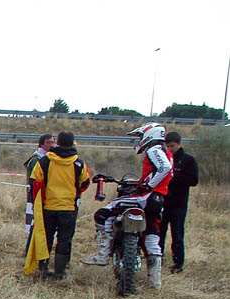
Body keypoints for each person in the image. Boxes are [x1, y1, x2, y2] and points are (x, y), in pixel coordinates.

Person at [81, 122, 173, 289]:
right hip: (158, 200)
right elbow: (167, 170)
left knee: (103, 213)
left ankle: (103, 254)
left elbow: (164, 168)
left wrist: (149, 185)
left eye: (141, 136)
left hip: (146, 196)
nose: (140, 140)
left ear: (149, 134)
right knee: (152, 235)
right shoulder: (167, 152)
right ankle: (155, 282)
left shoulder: (154, 150)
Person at [27, 131, 90, 279]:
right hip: (69, 208)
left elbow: (34, 181)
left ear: (58, 143)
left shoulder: (45, 161)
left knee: (46, 237)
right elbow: (85, 183)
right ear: (72, 143)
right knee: (65, 239)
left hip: (48, 207)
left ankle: (43, 268)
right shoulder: (79, 163)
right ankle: (60, 272)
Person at [159, 131, 198, 273]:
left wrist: (175, 177)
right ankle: (158, 260)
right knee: (159, 233)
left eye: (172, 146)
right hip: (163, 202)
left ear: (179, 144)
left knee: (177, 235)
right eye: (167, 146)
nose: (170, 149)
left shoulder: (188, 160)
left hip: (179, 204)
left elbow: (194, 180)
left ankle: (178, 264)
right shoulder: (163, 159)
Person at [24, 134, 55, 241]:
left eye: (52, 142)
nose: (51, 145)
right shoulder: (37, 158)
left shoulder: (49, 157)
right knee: (34, 223)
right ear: (41, 144)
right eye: (48, 142)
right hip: (36, 194)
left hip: (45, 194)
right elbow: (34, 180)